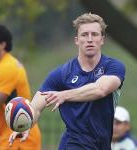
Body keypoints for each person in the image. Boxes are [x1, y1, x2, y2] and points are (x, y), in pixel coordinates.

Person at [9, 13, 126, 150]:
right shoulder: (61, 74)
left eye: (94, 34)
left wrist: (63, 95)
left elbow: (100, 90)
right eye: (84, 35)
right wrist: (26, 123)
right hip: (74, 144)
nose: (89, 39)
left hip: (102, 144)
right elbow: (35, 107)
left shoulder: (113, 66)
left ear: (102, 40)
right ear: (76, 40)